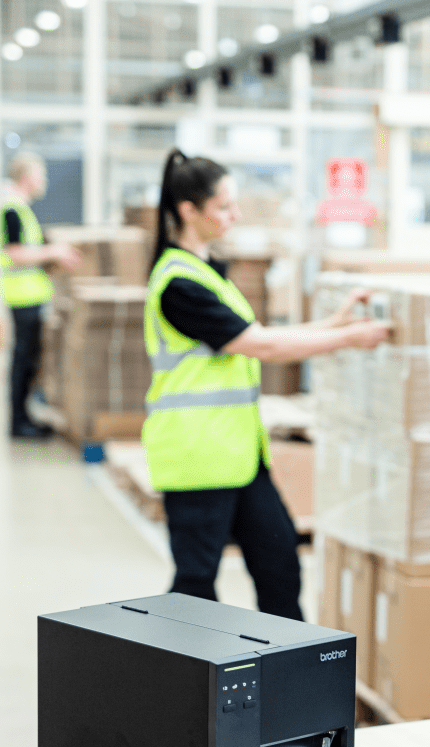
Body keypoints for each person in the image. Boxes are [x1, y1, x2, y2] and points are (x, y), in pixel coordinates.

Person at [144, 149, 391, 622]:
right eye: (223, 207)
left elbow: (263, 338)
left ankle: (289, 679)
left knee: (279, 564)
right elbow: (263, 347)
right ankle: (184, 686)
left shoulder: (206, 273)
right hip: (197, 458)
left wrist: (333, 323)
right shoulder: (179, 284)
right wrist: (347, 338)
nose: (234, 216)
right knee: (195, 588)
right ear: (187, 211)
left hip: (237, 454)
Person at [2, 152, 81, 438]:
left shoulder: (20, 207)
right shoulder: (12, 208)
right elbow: (15, 254)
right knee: (23, 359)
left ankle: (23, 417)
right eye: (40, 175)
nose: (44, 181)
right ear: (26, 178)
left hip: (29, 294)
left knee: (28, 358)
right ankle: (19, 422)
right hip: (22, 296)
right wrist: (54, 252)